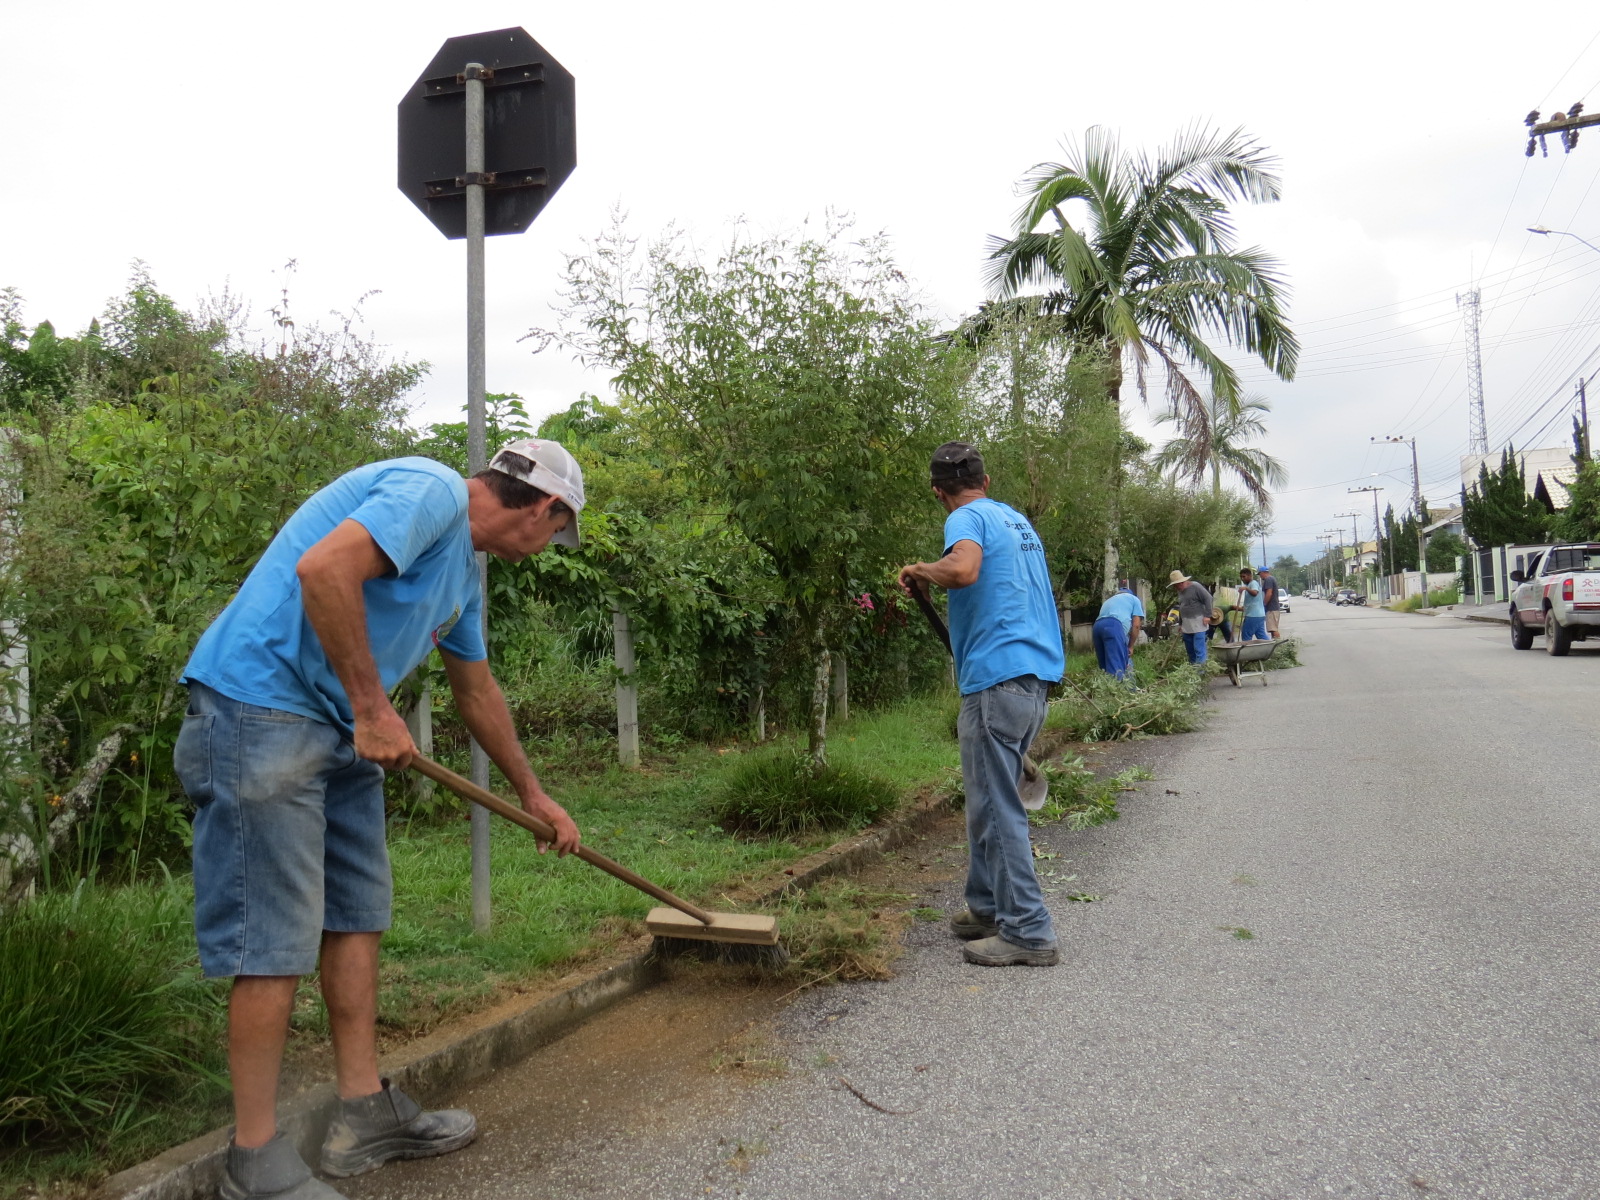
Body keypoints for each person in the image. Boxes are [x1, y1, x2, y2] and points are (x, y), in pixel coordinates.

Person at [175, 440, 587, 1200]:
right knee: (272, 943)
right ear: (544, 506)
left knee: (357, 916)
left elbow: (477, 691)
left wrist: (533, 794)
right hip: (261, 714)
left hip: (338, 737)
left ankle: (362, 1113)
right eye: (558, 532)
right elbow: (322, 570)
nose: (550, 548)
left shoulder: (464, 571)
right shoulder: (431, 492)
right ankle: (254, 1160)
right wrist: (372, 708)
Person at [898, 442, 1064, 968]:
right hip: (1033, 679)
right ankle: (988, 907)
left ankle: (1030, 932)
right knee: (986, 801)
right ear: (985, 480)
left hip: (997, 683)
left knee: (997, 806)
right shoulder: (1016, 522)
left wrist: (924, 570)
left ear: (937, 493)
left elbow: (965, 569)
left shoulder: (964, 519)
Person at [1093, 583, 1144, 680]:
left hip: (1097, 627)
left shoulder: (1109, 601)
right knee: (1117, 668)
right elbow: (1136, 625)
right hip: (1113, 626)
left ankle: (1104, 692)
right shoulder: (1134, 599)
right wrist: (1131, 646)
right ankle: (1121, 693)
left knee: (1104, 668)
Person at [1169, 569, 1215, 664]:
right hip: (1187, 625)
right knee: (1190, 651)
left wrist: (1208, 616)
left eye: (1176, 585)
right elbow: (1182, 607)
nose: (1175, 587)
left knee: (1198, 649)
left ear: (1181, 583)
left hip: (1199, 623)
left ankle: (1200, 672)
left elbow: (1208, 598)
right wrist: (1181, 624)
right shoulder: (1180, 591)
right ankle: (1192, 671)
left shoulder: (1195, 586)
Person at [1235, 567, 1268, 641]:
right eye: (1241, 577)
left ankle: (1246, 651)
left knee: (1246, 635)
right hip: (1259, 615)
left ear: (1250, 576)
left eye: (1244, 576)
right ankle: (1271, 649)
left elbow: (1255, 593)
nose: (1242, 579)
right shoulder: (1249, 585)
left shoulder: (1253, 583)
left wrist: (1245, 588)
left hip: (1253, 616)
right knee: (1261, 636)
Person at [1259, 565, 1282, 638]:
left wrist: (1264, 604)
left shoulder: (1268, 579)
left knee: (1273, 629)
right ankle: (1276, 644)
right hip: (1273, 608)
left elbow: (1269, 593)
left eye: (1260, 574)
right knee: (1272, 629)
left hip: (1272, 608)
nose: (1260, 576)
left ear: (1263, 572)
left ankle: (1279, 645)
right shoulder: (1272, 578)